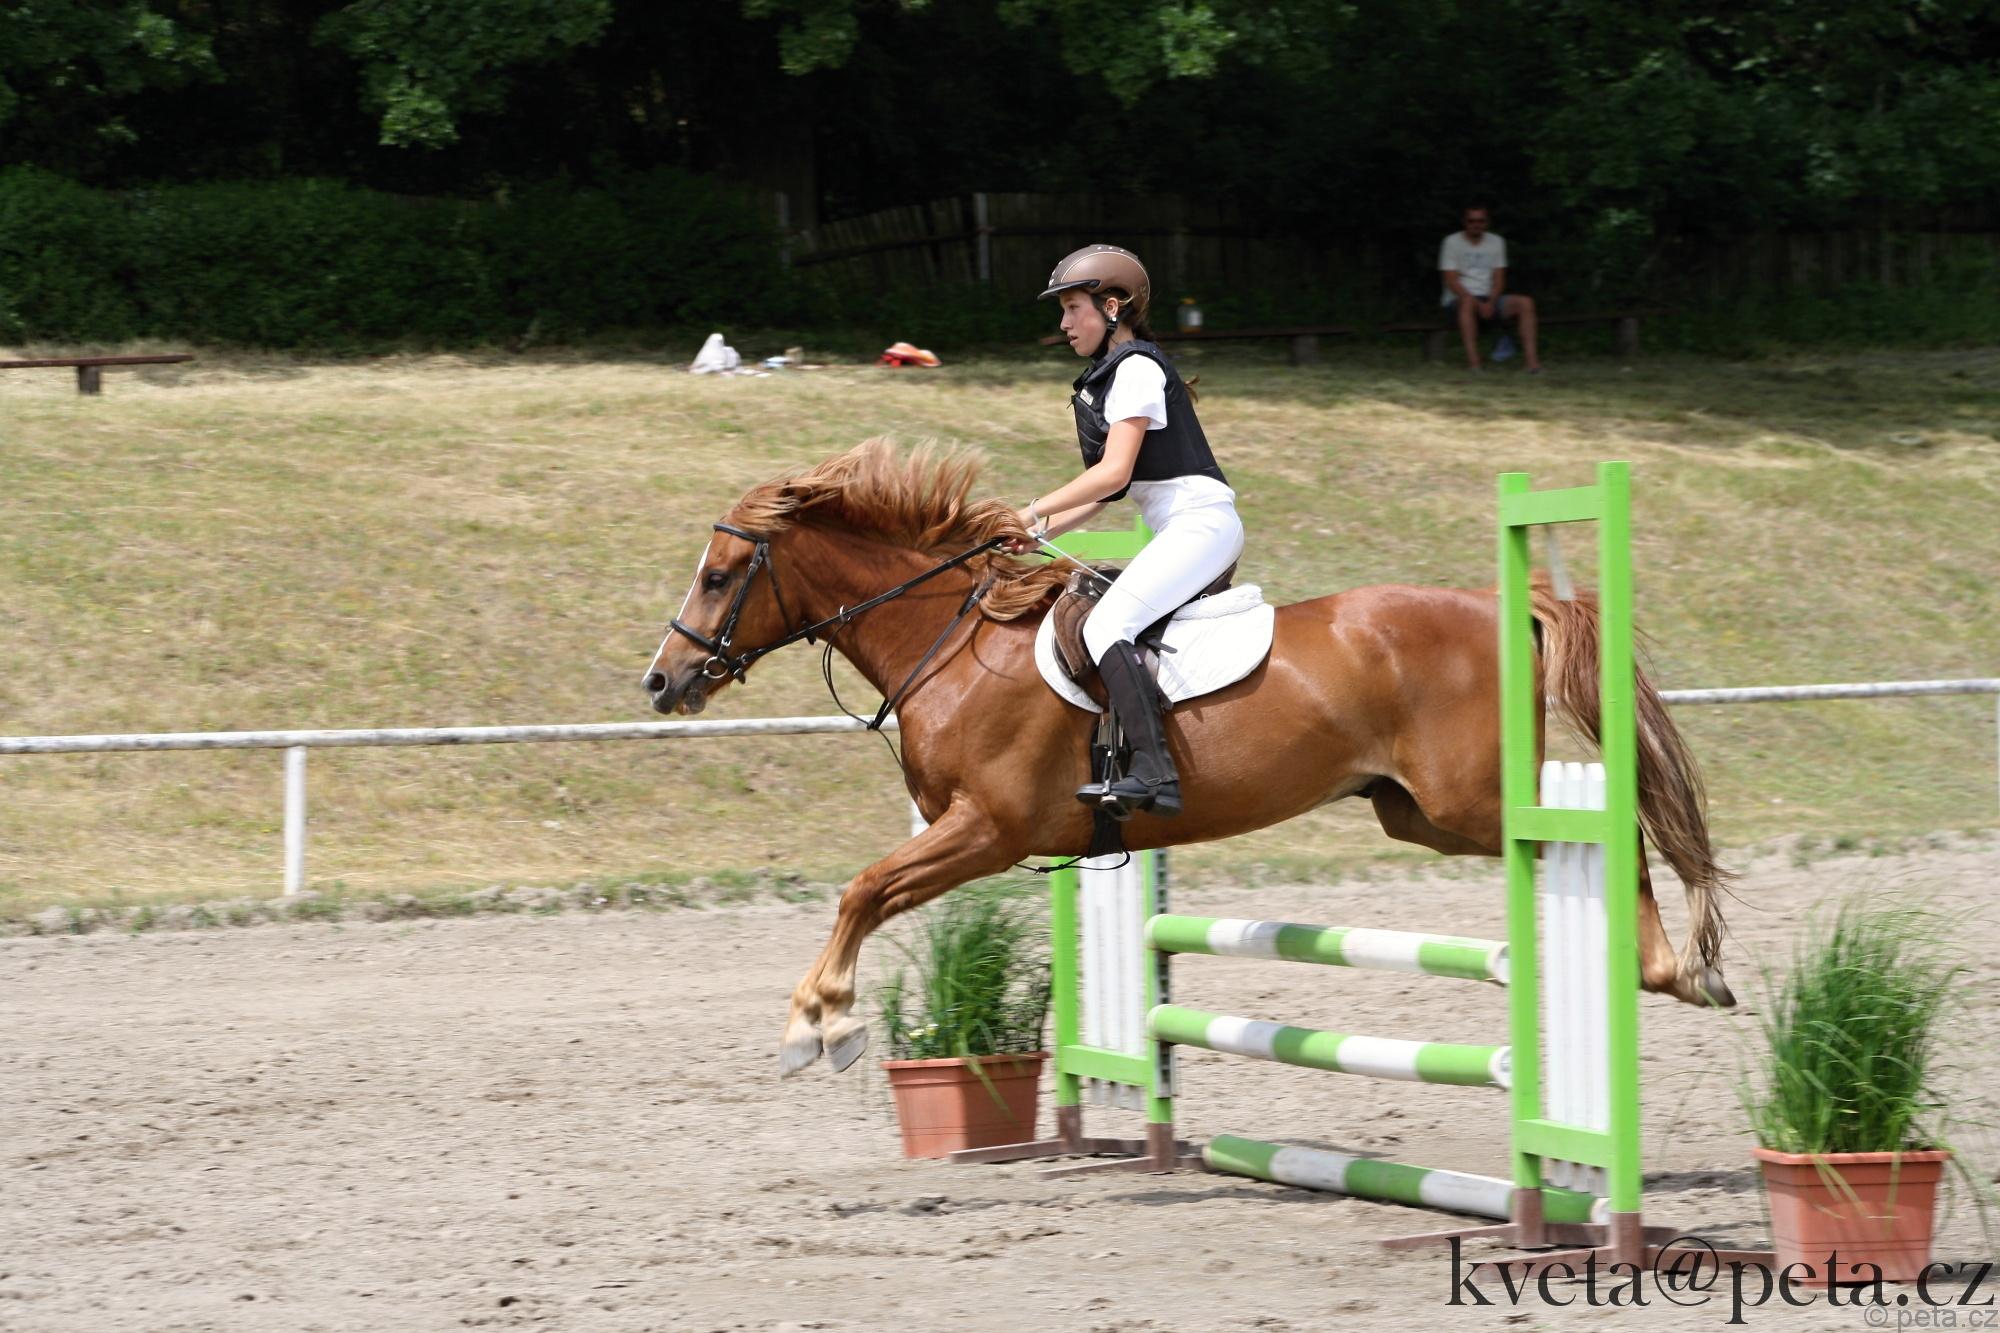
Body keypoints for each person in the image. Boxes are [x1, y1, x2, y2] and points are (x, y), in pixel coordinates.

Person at [1006, 244, 1244, 818]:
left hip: (1201, 525)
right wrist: (1037, 533)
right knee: (1107, 619)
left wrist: (1028, 512)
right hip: (1184, 528)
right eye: (1062, 312)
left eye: (1073, 309)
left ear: (1111, 308)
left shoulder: (1136, 368)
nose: (1064, 324)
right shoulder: (1112, 377)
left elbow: (1111, 474)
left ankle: (1155, 773)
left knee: (1109, 623)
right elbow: (1105, 493)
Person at [1439, 204, 1542, 372]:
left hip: (1489, 298)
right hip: (1459, 300)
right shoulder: (1451, 242)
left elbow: (1499, 279)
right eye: (1471, 221)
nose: (1476, 224)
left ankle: (1532, 363)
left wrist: (1491, 302)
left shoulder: (1496, 242)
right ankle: (1474, 364)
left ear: (1487, 222)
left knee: (1525, 303)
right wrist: (1478, 303)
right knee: (1467, 303)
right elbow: (1451, 281)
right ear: (1464, 222)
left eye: (1480, 221)